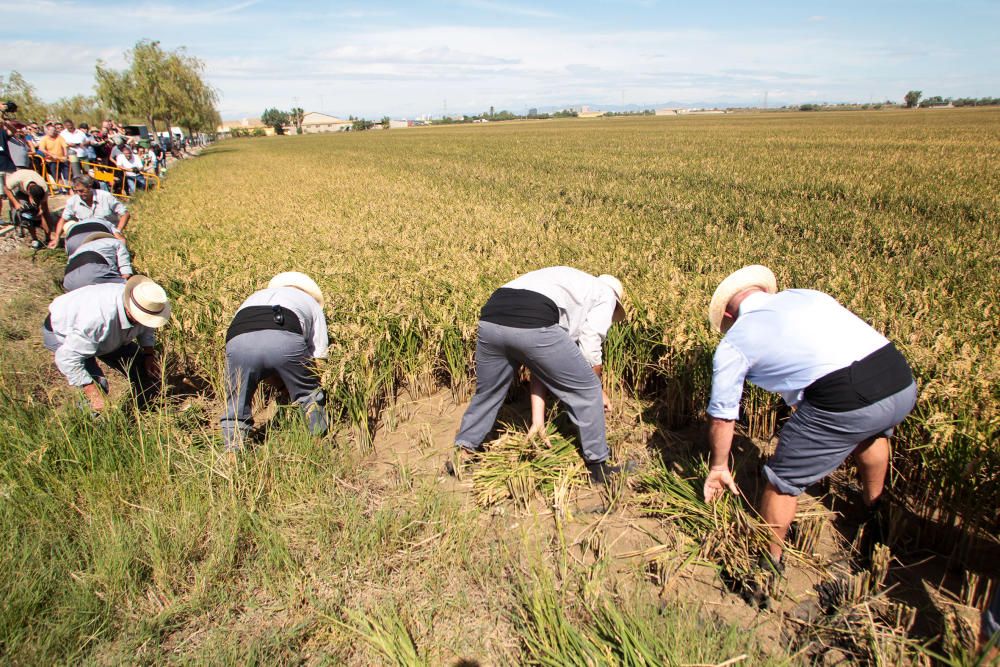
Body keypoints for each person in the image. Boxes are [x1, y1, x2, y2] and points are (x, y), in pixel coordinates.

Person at [702, 265, 917, 600]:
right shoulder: (807, 296)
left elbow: (722, 415)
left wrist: (718, 466)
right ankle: (875, 513)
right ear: (764, 292)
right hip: (899, 378)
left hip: (846, 395)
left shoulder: (736, 341)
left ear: (729, 314)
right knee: (871, 435)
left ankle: (766, 569)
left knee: (782, 481)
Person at [451, 266, 629, 483]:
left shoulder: (571, 285)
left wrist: (537, 419)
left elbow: (541, 363)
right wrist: (598, 387)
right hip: (533, 318)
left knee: (488, 392)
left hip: (492, 315)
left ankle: (463, 455)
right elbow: (590, 345)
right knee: (588, 388)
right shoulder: (605, 294)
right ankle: (599, 468)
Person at [220, 272, 330, 452]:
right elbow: (319, 355)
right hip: (284, 335)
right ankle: (318, 442)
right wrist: (310, 385)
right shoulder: (310, 303)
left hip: (237, 341)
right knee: (308, 395)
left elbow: (261, 357)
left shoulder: (255, 296)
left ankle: (233, 454)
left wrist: (281, 387)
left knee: (236, 403)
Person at [42, 276, 171, 413]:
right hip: (64, 333)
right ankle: (89, 426)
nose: (147, 322)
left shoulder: (145, 302)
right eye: (144, 318)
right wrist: (92, 391)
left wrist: (149, 354)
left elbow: (147, 328)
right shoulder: (97, 321)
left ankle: (144, 407)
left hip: (105, 334)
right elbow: (67, 357)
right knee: (98, 388)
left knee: (141, 365)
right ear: (130, 311)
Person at [50, 175, 129, 249]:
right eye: (75, 191)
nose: (79, 194)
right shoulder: (73, 201)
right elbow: (63, 219)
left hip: (109, 231)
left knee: (120, 242)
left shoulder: (105, 196)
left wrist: (118, 230)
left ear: (89, 186)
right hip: (87, 232)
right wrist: (56, 238)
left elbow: (125, 214)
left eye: (81, 191)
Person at [63, 232, 133, 292]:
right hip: (94, 268)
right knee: (126, 290)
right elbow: (125, 268)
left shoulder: (79, 249)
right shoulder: (115, 242)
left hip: (68, 280)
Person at [2, 167, 54, 246]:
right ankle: (34, 239)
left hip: (33, 184)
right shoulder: (16, 179)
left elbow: (44, 208)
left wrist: (41, 210)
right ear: (29, 193)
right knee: (27, 214)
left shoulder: (44, 187)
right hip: (20, 188)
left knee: (43, 214)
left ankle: (48, 238)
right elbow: (6, 188)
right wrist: (16, 204)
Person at [37, 122, 69, 191]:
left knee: (67, 175)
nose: (53, 132)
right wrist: (51, 155)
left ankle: (68, 188)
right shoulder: (44, 139)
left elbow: (64, 146)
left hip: (62, 159)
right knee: (57, 176)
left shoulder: (59, 137)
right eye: (51, 130)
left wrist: (66, 155)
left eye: (54, 130)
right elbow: (41, 148)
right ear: (47, 131)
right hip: (51, 160)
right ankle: (62, 189)